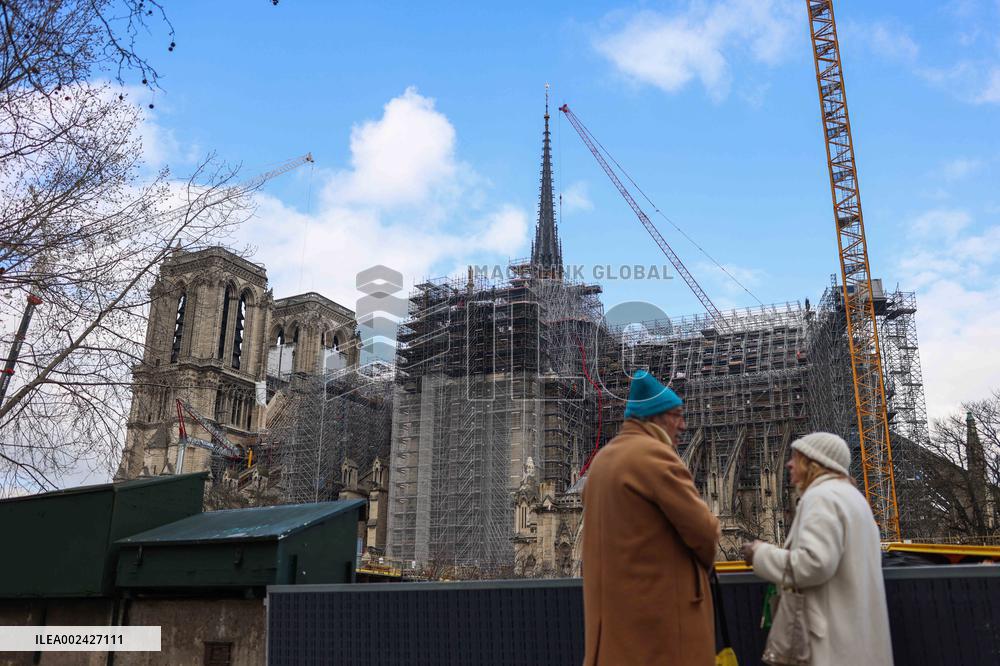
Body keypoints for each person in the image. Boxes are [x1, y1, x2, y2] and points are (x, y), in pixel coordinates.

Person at [582, 370, 721, 665]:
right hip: (659, 625)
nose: (683, 425)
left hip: (614, 626)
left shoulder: (601, 462)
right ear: (655, 417)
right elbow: (705, 533)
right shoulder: (654, 455)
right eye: (676, 415)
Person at [741, 432, 893, 665]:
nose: (788, 464)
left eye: (795, 458)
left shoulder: (821, 497)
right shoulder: (854, 498)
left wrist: (760, 554)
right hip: (854, 636)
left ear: (813, 464)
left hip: (831, 642)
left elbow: (814, 564)